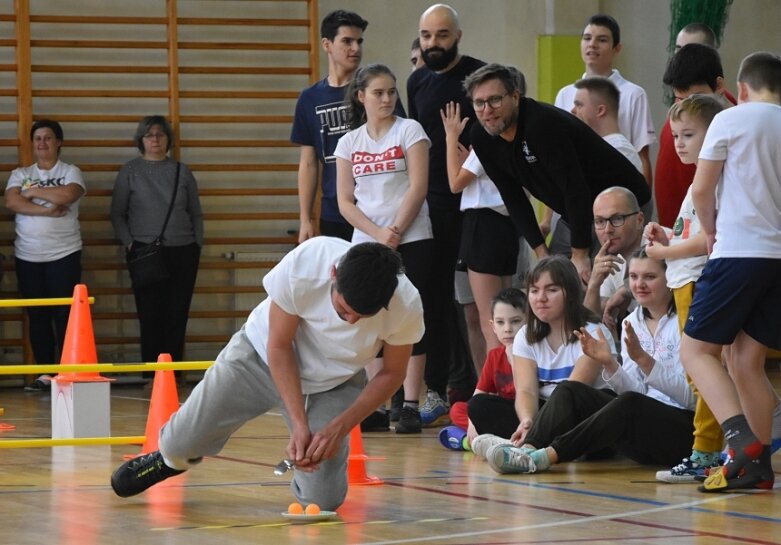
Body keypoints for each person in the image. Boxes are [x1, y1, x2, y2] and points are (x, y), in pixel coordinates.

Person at [110, 238, 424, 511]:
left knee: (323, 501)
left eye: (362, 316)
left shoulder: (405, 303)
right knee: (179, 445)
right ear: (333, 274)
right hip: (259, 357)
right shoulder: (308, 262)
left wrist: (338, 428)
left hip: (334, 381)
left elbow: (393, 373)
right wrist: (299, 423)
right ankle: (167, 461)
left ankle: (314, 483)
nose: (351, 321)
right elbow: (279, 346)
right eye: (343, 310)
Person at [485, 250, 696, 475]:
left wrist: (645, 362)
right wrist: (610, 364)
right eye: (633, 277)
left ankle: (544, 457)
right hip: (641, 432)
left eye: (649, 277)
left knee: (628, 403)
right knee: (569, 390)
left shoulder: (688, 322)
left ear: (670, 278)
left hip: (686, 431)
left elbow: (693, 399)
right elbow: (638, 391)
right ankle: (527, 449)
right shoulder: (632, 321)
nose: (639, 284)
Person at [681, 51, 781, 493]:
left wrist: (709, 230)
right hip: (778, 260)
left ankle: (740, 441)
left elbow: (702, 187)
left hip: (739, 252)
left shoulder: (730, 119)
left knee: (695, 352)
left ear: (740, 89)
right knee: (745, 362)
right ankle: (758, 469)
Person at [465, 63, 651, 285]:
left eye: (495, 100)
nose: (487, 110)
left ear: (515, 97)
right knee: (553, 281)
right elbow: (512, 196)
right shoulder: (481, 135)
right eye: (479, 103)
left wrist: (580, 254)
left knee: (604, 286)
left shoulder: (540, 124)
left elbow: (575, 187)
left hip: (623, 205)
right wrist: (541, 252)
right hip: (575, 211)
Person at [335, 64, 433, 434]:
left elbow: (418, 186)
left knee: (411, 316)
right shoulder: (349, 142)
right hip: (367, 242)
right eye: (379, 93)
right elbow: (346, 200)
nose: (388, 99)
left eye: (392, 91)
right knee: (370, 318)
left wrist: (395, 230)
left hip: (413, 236)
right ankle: (374, 406)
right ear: (361, 96)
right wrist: (377, 233)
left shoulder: (410, 130)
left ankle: (408, 403)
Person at [407, 3, 486, 425]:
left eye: (441, 35)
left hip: (477, 205)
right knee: (433, 299)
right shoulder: (417, 80)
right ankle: (435, 390)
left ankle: (484, 387)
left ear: (457, 35)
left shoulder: (479, 76)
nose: (433, 44)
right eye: (426, 36)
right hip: (432, 204)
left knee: (476, 306)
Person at [470, 256, 615, 459]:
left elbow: (572, 394)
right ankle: (535, 442)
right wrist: (527, 421)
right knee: (479, 406)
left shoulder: (593, 333)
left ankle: (526, 449)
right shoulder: (525, 334)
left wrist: (535, 432)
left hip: (584, 416)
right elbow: (526, 391)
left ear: (571, 293)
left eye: (552, 290)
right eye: (534, 290)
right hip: (546, 414)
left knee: (566, 392)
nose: (541, 298)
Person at [292, 10, 403, 243]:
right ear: (327, 44)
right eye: (347, 41)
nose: (356, 48)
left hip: (379, 210)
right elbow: (309, 162)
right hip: (335, 211)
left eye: (359, 41)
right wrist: (305, 218)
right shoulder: (310, 98)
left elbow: (400, 145)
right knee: (342, 278)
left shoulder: (378, 92)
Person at [110, 115, 203, 368]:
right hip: (144, 252)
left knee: (177, 313)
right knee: (149, 314)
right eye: (149, 135)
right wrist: (130, 243)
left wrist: (197, 245)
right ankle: (151, 373)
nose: (155, 140)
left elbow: (195, 212)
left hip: (183, 251)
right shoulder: (130, 171)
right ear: (141, 140)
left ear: (168, 139)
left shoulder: (181, 171)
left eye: (160, 135)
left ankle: (172, 372)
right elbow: (117, 213)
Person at [4, 119, 85, 391]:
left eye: (48, 138)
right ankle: (44, 374)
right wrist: (46, 209)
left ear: (58, 142)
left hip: (64, 254)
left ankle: (66, 371)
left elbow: (68, 195)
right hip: (28, 256)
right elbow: (13, 201)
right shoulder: (20, 173)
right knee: (37, 316)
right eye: (37, 138)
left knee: (64, 315)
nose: (42, 143)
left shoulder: (71, 171)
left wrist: (33, 193)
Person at [441, 99, 520, 357]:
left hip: (484, 227)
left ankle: (499, 391)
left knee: (493, 321)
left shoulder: (487, 142)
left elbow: (454, 183)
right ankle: (509, 386)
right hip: (506, 227)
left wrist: (450, 137)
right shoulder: (515, 141)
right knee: (507, 317)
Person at [554, 14, 655, 185]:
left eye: (602, 40)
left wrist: (643, 203)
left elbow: (642, 155)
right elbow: (558, 155)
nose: (592, 44)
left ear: (616, 48)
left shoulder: (633, 94)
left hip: (618, 186)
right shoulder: (566, 93)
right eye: (587, 38)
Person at [655, 43, 735, 228]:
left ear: (719, 85)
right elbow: (668, 189)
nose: (689, 108)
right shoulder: (676, 125)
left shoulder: (740, 127)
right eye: (681, 99)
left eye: (697, 97)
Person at [440, 288, 525, 450]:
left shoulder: (533, 352)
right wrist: (473, 422)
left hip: (524, 414)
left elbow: (527, 392)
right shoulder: (494, 356)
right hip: (500, 412)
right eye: (500, 322)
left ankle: (471, 442)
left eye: (515, 321)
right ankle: (484, 439)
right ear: (493, 326)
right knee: (458, 409)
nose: (507, 328)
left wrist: (514, 360)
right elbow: (478, 395)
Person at [583, 187, 645, 322]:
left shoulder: (662, 241)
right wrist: (593, 285)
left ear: (639, 220)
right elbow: (590, 325)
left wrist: (627, 289)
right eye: (600, 221)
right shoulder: (608, 260)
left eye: (617, 219)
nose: (607, 230)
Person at [570, 77, 642, 172]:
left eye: (579, 105)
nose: (572, 110)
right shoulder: (598, 147)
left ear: (600, 110)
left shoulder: (620, 150)